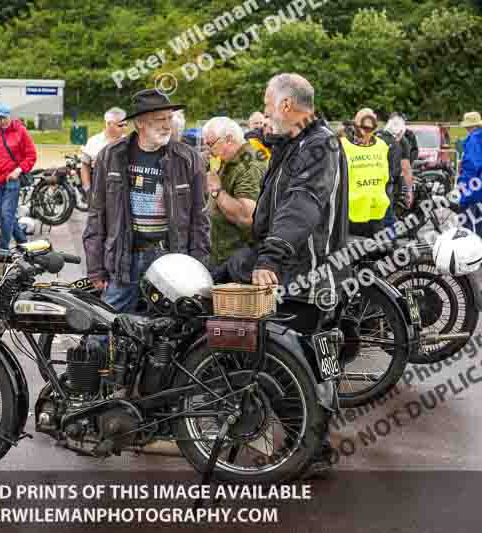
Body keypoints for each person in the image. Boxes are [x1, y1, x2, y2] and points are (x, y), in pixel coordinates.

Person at [219, 73, 348, 475]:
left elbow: (303, 205)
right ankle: (308, 448)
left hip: (304, 277)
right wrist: (274, 139)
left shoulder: (318, 145)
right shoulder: (298, 143)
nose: (263, 110)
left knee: (290, 368)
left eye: (267, 102)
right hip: (295, 272)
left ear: (287, 105)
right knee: (302, 367)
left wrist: (269, 258)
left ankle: (309, 451)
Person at [83, 89, 209, 313]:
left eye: (169, 118)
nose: (167, 125)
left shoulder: (188, 159)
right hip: (124, 258)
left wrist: (198, 265)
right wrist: (95, 268)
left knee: (168, 330)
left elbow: (200, 219)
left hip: (170, 258)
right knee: (106, 326)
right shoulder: (110, 156)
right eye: (160, 119)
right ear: (140, 123)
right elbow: (97, 213)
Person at [202, 117, 265, 265]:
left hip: (239, 259)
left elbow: (247, 217)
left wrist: (217, 191)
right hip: (223, 254)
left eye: (210, 144)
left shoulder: (249, 165)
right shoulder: (229, 158)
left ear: (229, 139)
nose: (208, 149)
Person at [0, 103, 37, 250]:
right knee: (5, 215)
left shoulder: (20, 131)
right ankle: (23, 242)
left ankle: (3, 248)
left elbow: (31, 155)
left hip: (12, 180)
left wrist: (18, 170)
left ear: (9, 116)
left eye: (3, 117)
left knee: (6, 213)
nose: (1, 121)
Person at [341, 108, 398, 238]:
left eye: (371, 128)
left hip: (378, 214)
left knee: (381, 254)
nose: (366, 132)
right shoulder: (342, 146)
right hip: (351, 217)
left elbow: (388, 177)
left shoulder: (382, 146)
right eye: (363, 127)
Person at [376, 113, 415, 232]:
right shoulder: (402, 142)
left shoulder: (376, 136)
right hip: (387, 183)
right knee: (388, 218)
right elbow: (406, 169)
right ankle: (389, 243)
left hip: (370, 184)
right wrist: (409, 191)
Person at [80, 107, 127, 196]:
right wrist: (88, 190)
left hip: (121, 194)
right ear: (109, 124)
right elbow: (85, 166)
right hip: (98, 193)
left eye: (126, 125)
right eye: (120, 125)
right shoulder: (93, 141)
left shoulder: (128, 142)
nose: (124, 128)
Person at [458, 111, 482, 236]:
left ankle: (470, 252)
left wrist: (462, 187)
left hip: (473, 188)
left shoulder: (473, 139)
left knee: (466, 223)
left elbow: (472, 166)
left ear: (471, 126)